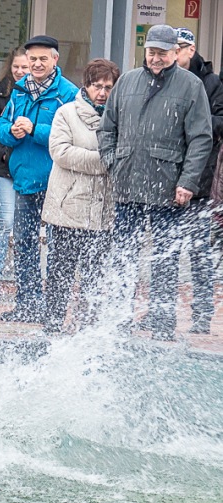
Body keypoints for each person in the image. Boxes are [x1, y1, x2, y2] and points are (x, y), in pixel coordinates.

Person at [98, 24, 213, 341]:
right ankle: (118, 319)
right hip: (128, 187)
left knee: (166, 259)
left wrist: (188, 182)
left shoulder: (191, 86)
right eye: (152, 52)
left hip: (169, 190)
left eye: (162, 52)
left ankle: (162, 323)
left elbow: (201, 139)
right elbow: (107, 128)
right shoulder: (127, 82)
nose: (156, 58)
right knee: (123, 257)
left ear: (175, 52)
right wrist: (113, 162)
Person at [0, 35, 77, 324]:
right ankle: (26, 304)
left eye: (44, 58)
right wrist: (12, 132)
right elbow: (0, 128)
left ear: (55, 60)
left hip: (58, 185)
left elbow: (70, 136)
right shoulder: (18, 91)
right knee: (25, 246)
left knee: (57, 251)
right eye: (33, 59)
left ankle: (52, 309)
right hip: (24, 181)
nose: (37, 64)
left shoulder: (68, 93)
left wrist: (33, 129)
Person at [41, 58, 119, 335]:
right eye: (97, 85)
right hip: (69, 208)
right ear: (85, 86)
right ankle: (51, 327)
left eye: (108, 87)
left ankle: (86, 330)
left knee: (94, 279)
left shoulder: (119, 117)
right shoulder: (67, 113)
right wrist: (104, 161)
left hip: (102, 212)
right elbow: (60, 152)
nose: (102, 92)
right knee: (60, 274)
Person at [176, 28, 221, 336]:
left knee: (199, 252)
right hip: (166, 180)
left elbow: (220, 123)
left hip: (200, 185)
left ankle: (202, 315)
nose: (171, 54)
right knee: (164, 255)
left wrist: (193, 120)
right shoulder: (160, 80)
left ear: (189, 50)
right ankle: (158, 315)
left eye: (176, 49)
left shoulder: (212, 84)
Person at [0, 47, 27, 301]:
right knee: (5, 222)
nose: (19, 71)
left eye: (24, 67)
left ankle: (25, 277)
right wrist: (1, 153)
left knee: (25, 227)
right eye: (16, 67)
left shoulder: (40, 94)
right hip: (5, 167)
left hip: (30, 169)